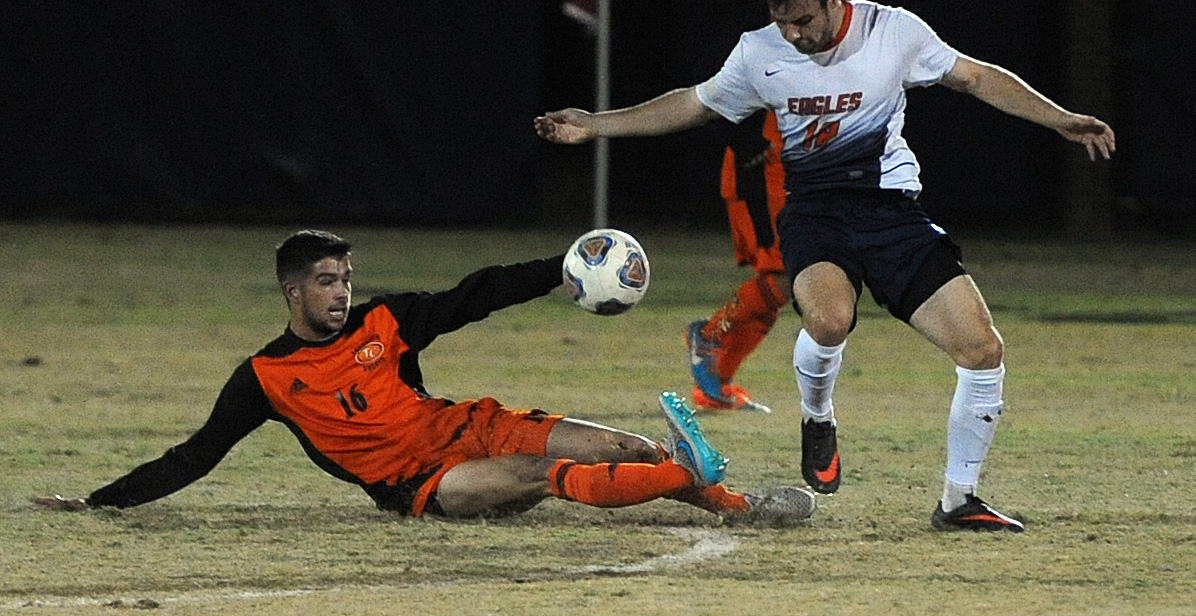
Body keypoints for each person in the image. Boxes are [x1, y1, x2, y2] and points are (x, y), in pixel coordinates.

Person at [535, 0, 1115, 531]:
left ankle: (958, 500)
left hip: (891, 212)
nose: (792, 35)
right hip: (814, 211)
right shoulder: (759, 52)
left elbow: (976, 78)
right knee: (830, 320)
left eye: (804, 20)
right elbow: (695, 104)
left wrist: (1061, 118)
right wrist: (596, 124)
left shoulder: (893, 33)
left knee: (983, 351)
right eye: (780, 22)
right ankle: (817, 414)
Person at [32, 230, 815, 522]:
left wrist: (561, 266)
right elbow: (195, 454)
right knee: (548, 473)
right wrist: (101, 501)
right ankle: (736, 505)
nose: (340, 292)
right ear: (291, 292)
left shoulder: (385, 321)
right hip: (424, 484)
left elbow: (473, 296)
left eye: (345, 277)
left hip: (465, 426)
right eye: (325, 282)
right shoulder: (265, 378)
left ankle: (703, 482)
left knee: (626, 444)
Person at [686, 0, 850, 414]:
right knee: (784, 276)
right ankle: (710, 339)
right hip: (763, 165)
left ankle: (715, 377)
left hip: (802, 168)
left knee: (795, 278)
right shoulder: (775, 12)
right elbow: (716, 88)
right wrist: (743, 139)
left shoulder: (835, 13)